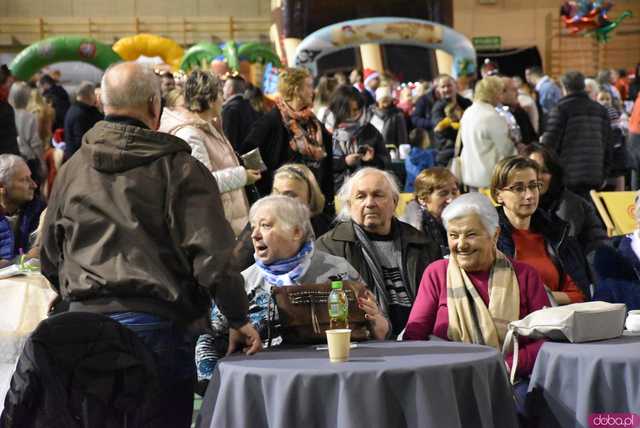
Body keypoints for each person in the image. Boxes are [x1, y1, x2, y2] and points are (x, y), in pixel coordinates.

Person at [40, 62, 261, 428]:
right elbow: (214, 259)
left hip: (83, 327)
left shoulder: (73, 169)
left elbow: (49, 254)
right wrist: (237, 317)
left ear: (101, 102)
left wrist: (75, 296)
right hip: (157, 329)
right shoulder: (180, 169)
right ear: (154, 105)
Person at [195, 195, 390, 383]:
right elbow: (209, 341)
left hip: (333, 378)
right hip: (265, 383)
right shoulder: (243, 283)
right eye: (253, 226)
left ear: (296, 232)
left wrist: (379, 327)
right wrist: (216, 385)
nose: (254, 235)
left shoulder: (338, 272)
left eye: (265, 225)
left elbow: (375, 328)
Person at [404, 192, 550, 380]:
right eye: (453, 235)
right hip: (446, 378)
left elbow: (544, 338)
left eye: (471, 235)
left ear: (494, 234)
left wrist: (505, 366)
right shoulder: (437, 273)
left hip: (513, 379)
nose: (461, 244)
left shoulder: (525, 275)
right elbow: (414, 337)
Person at [316, 167, 441, 336]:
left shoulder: (423, 245)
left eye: (378, 195)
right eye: (360, 196)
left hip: (419, 338)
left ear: (395, 202)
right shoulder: (329, 247)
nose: (369, 203)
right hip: (363, 343)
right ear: (349, 205)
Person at [159, 70, 258, 236]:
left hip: (231, 220)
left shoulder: (208, 125)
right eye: (219, 93)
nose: (223, 99)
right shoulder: (190, 134)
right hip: (220, 225)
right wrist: (243, 176)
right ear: (210, 99)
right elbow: (203, 181)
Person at [491, 156, 589, 304]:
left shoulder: (556, 231)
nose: (529, 195)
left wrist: (535, 296)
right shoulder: (488, 236)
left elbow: (580, 294)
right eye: (518, 188)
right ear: (498, 195)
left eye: (533, 186)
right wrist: (550, 296)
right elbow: (495, 294)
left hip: (559, 320)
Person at [241, 68, 333, 205]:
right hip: (282, 203)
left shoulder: (313, 122)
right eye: (308, 86)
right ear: (296, 90)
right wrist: (266, 187)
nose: (313, 91)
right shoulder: (271, 121)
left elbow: (328, 159)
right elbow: (248, 152)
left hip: (313, 201)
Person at [234, 163, 335, 271]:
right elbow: (235, 269)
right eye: (276, 193)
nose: (279, 201)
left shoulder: (327, 228)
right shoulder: (256, 227)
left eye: (289, 195)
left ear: (310, 199)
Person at [524, 144, 607, 261]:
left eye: (544, 171)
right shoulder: (513, 208)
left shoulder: (575, 206)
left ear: (554, 175)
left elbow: (597, 248)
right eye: (533, 170)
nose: (538, 177)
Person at [540, 71, 612, 200]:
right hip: (595, 175)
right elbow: (608, 146)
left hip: (567, 177)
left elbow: (549, 145)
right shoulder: (601, 110)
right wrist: (604, 174)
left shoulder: (560, 109)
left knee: (570, 217)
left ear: (563, 87)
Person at [459, 76, 516, 189]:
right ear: (494, 93)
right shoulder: (492, 116)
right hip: (488, 178)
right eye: (500, 91)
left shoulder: (468, 112)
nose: (501, 96)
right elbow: (506, 149)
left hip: (469, 175)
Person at [330, 85, 390, 190]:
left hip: (366, 189)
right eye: (348, 111)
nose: (353, 115)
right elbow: (320, 164)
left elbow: (386, 161)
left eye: (355, 110)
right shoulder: (327, 130)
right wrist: (344, 162)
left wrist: (371, 160)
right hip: (336, 192)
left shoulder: (369, 130)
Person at [401, 167, 459, 258]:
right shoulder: (412, 230)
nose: (451, 199)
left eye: (454, 192)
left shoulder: (465, 220)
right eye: (443, 194)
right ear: (422, 199)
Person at [0, 154, 44, 265]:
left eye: (31, 178)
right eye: (24, 180)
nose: (34, 185)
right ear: (1, 187)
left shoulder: (39, 211)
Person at [8, 82, 45, 179]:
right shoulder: (29, 117)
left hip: (9, 160)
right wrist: (42, 163)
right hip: (27, 160)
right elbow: (35, 143)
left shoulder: (6, 113)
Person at [430, 74, 472, 160]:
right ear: (438, 90)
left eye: (449, 85)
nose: (446, 89)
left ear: (455, 85)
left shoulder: (467, 103)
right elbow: (440, 129)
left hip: (467, 149)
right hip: (447, 151)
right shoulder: (437, 107)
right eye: (443, 87)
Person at [63, 81, 103, 161]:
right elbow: (81, 141)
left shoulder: (76, 109)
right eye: (95, 95)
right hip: (79, 159)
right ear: (90, 95)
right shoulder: (80, 114)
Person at [221, 74, 258, 151]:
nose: (223, 89)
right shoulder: (250, 106)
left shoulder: (230, 109)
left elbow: (229, 141)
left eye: (224, 86)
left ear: (230, 89)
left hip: (237, 158)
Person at [403, 128, 436, 192]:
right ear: (423, 141)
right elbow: (431, 175)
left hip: (408, 190)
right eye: (427, 137)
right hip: (423, 191)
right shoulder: (428, 155)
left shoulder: (408, 155)